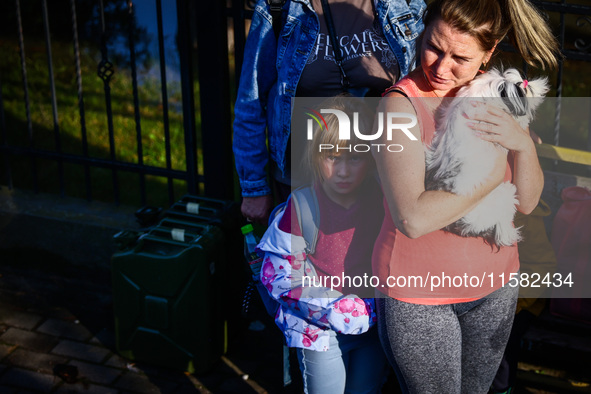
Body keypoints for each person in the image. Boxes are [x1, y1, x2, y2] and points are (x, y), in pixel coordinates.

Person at [370, 0, 559, 392]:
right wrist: (491, 176)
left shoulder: (495, 93)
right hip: (420, 296)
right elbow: (413, 218)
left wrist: (522, 145)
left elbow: (526, 202)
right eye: (434, 47)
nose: (440, 68)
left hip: (495, 287)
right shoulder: (399, 107)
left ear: (488, 54)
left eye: (460, 56)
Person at [232, 0, 425, 225]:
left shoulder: (405, 3)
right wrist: (254, 188)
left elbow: (429, 80)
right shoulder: (279, 6)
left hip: (381, 178)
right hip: (303, 182)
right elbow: (251, 102)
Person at [257, 95, 389, 393]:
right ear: (316, 156)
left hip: (374, 325)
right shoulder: (302, 206)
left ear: (370, 159)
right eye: (332, 157)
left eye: (354, 157)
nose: (342, 171)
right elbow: (280, 277)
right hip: (320, 331)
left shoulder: (383, 202)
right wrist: (333, 308)